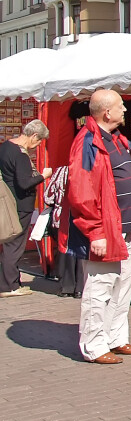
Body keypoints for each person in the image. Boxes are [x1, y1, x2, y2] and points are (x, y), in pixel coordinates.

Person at [61, 91, 131, 364]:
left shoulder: (116, 139)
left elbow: (110, 175)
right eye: (121, 106)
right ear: (107, 113)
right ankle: (94, 345)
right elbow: (82, 191)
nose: (126, 109)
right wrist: (96, 231)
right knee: (99, 290)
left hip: (123, 228)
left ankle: (115, 337)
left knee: (123, 286)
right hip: (105, 232)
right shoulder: (87, 142)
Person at [0, 120, 51, 297]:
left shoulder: (6, 146)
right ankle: (9, 286)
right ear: (34, 136)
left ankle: (10, 282)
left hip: (8, 201)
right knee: (15, 246)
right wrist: (43, 176)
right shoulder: (21, 154)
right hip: (20, 204)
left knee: (10, 244)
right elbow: (24, 183)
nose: (36, 146)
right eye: (38, 142)